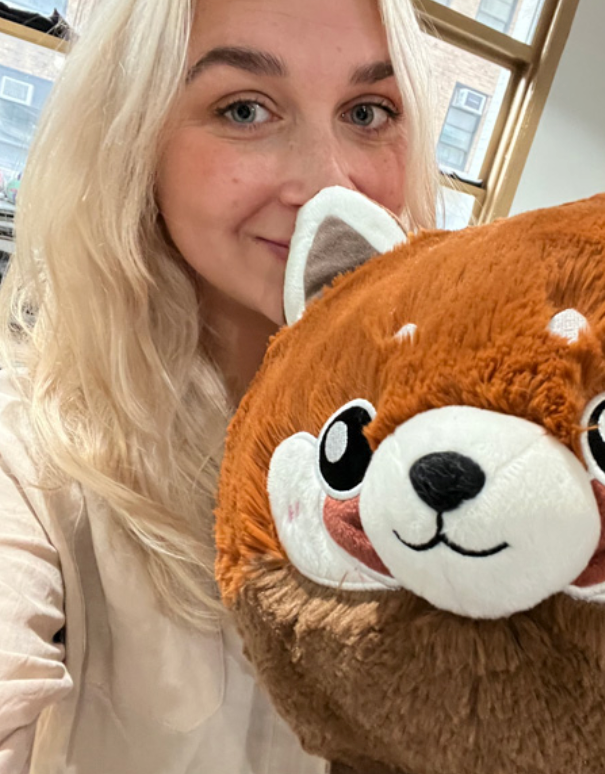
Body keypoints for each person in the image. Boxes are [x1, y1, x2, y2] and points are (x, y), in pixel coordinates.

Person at [0, 0, 438, 771]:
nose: (327, 185)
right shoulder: (29, 449)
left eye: (367, 112)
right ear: (134, 135)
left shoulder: (455, 435)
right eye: (245, 109)